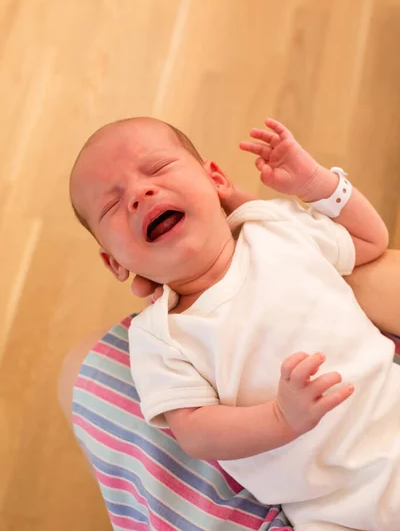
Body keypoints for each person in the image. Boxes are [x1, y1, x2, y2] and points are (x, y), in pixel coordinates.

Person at [69, 117, 399, 531]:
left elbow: (370, 241)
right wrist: (280, 417)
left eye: (156, 169)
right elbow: (194, 431)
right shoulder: (158, 335)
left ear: (216, 180)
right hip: (336, 509)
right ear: (115, 262)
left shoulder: (273, 226)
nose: (139, 193)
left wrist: (316, 183)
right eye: (112, 206)